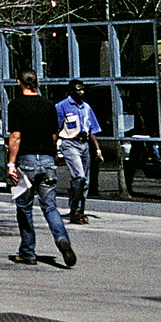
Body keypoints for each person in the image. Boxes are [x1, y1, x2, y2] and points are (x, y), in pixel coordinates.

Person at [6, 69, 77, 267]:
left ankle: (27, 252)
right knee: (50, 207)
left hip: (26, 161)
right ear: (37, 82)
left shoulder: (16, 105)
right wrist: (53, 155)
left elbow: (16, 136)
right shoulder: (49, 105)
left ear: (19, 82)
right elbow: (54, 136)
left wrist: (11, 164)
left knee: (24, 208)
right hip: (47, 160)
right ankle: (62, 240)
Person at [54, 80, 104, 224]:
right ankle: (75, 210)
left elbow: (92, 129)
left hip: (84, 144)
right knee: (79, 176)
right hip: (70, 143)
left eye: (83, 90)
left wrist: (98, 150)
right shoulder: (61, 106)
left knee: (85, 181)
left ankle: (80, 210)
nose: (81, 92)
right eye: (78, 90)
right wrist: (54, 151)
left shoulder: (86, 107)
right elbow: (55, 130)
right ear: (71, 91)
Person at [122, 119, 161, 197]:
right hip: (139, 146)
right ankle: (128, 187)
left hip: (145, 145)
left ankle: (129, 187)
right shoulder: (138, 127)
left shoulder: (148, 127)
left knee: (134, 165)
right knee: (131, 167)